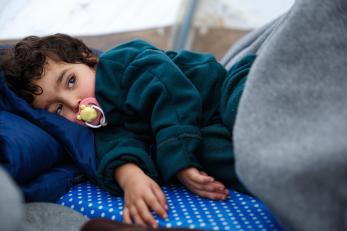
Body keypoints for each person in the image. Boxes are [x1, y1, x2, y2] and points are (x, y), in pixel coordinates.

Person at [0, 34, 255, 228]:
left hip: (222, 91)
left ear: (89, 59)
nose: (73, 103)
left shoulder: (126, 64)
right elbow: (114, 143)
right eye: (57, 109)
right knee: (220, 158)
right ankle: (277, 175)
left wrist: (180, 159)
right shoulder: (99, 121)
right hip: (204, 128)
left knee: (244, 110)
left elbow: (168, 95)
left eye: (71, 81)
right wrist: (130, 176)